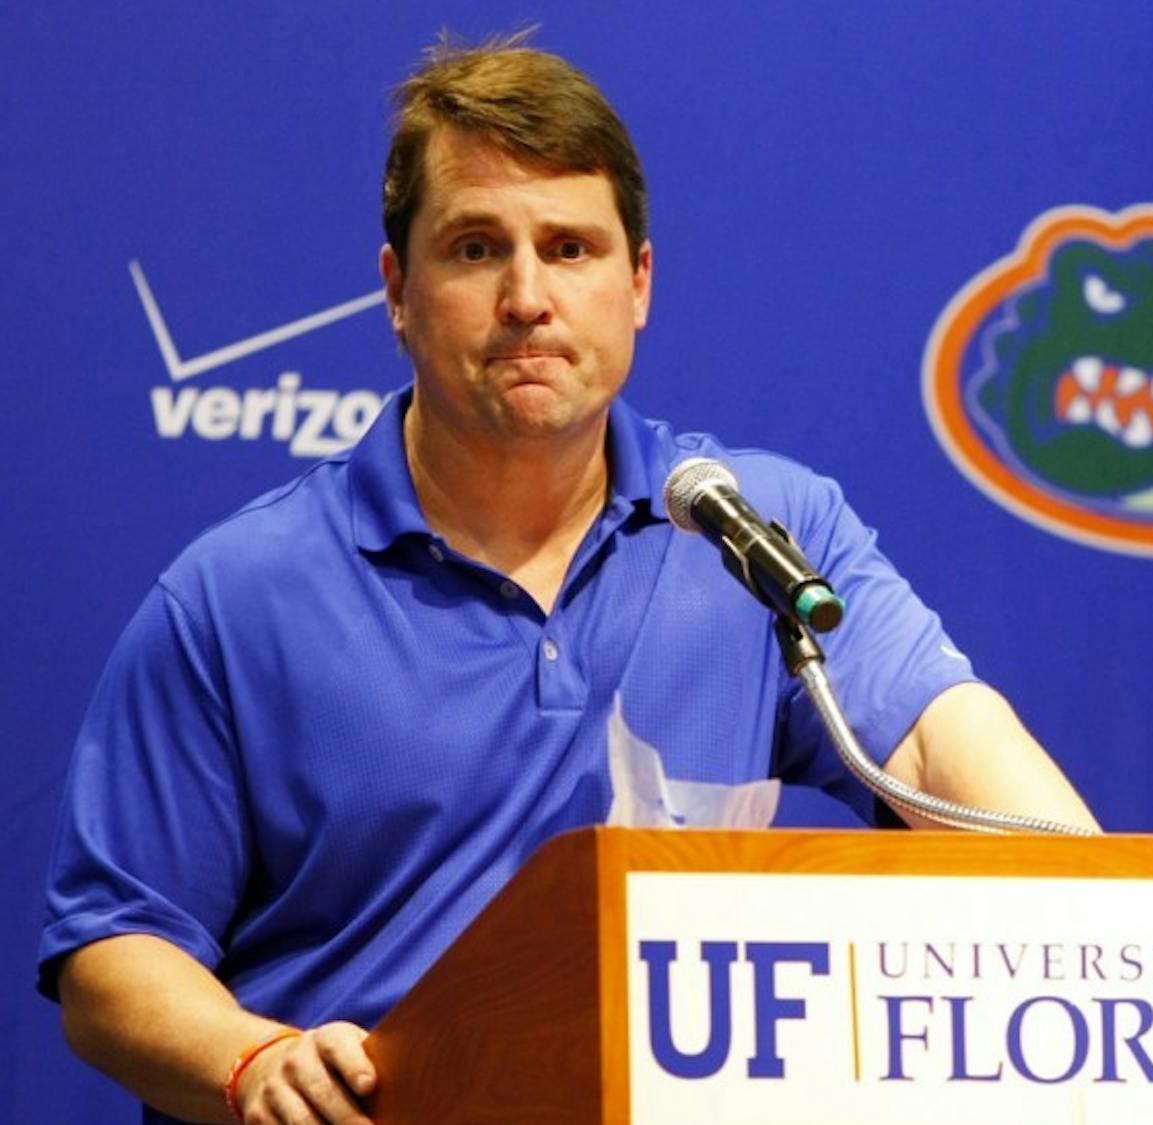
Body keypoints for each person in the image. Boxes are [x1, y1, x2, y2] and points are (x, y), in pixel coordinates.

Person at [40, 36, 1098, 1125]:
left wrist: (1118, 918)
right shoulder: (235, 595)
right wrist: (254, 1060)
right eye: (475, 248)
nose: (528, 297)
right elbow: (112, 952)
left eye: (572, 248)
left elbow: (931, 748)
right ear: (397, 292)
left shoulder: (751, 532)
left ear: (638, 285)